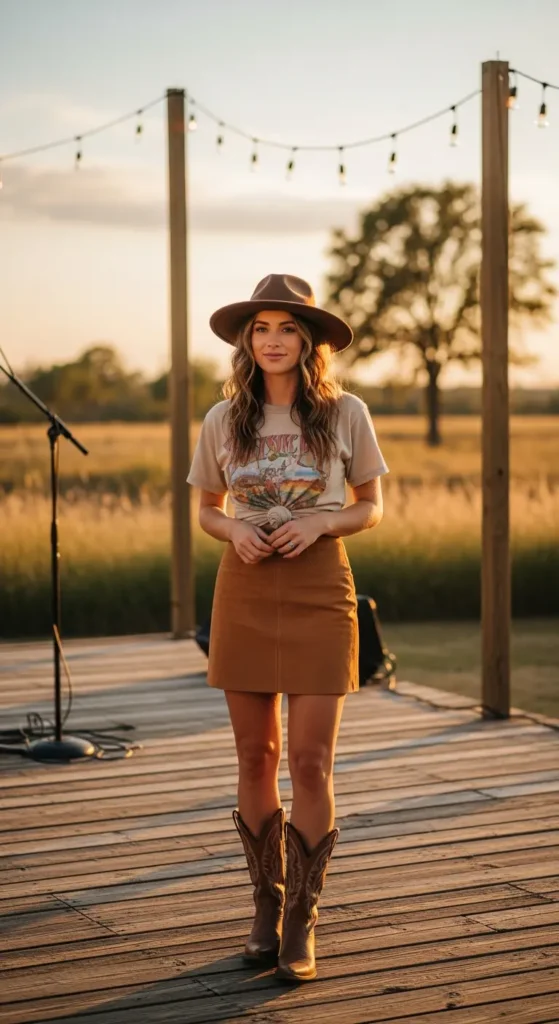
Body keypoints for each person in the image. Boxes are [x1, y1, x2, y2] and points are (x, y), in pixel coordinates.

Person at [187, 273, 389, 983]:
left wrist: (322, 522)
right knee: (254, 755)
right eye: (261, 329)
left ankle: (303, 916)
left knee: (309, 761)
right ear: (247, 341)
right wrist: (231, 532)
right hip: (243, 589)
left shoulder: (345, 413)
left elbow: (370, 505)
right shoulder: (223, 418)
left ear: (309, 341)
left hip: (319, 588)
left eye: (287, 329)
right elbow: (207, 510)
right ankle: (265, 906)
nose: (272, 340)